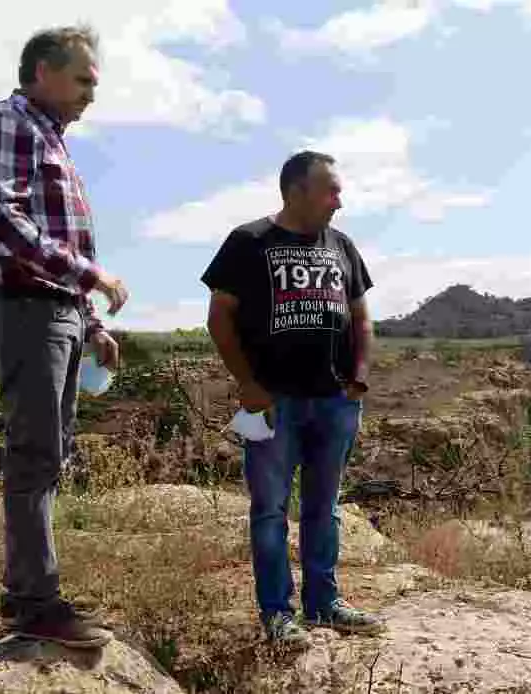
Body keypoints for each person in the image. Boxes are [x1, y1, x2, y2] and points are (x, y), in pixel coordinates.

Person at [0, 24, 128, 649]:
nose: (91, 94)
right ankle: (35, 601)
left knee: (51, 453)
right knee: (35, 455)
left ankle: (34, 591)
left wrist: (91, 322)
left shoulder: (48, 138)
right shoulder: (5, 120)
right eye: (83, 79)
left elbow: (56, 238)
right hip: (27, 309)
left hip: (56, 311)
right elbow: (0, 216)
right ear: (42, 72)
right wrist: (94, 277)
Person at [202, 150, 385, 648]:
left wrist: (359, 378)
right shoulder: (249, 242)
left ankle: (324, 604)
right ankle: (278, 614)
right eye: (330, 190)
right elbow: (219, 319)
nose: (339, 201)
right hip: (273, 402)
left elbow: (361, 317)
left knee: (324, 509)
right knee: (270, 511)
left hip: (334, 401)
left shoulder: (341, 245)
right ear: (295, 191)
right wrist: (247, 384)